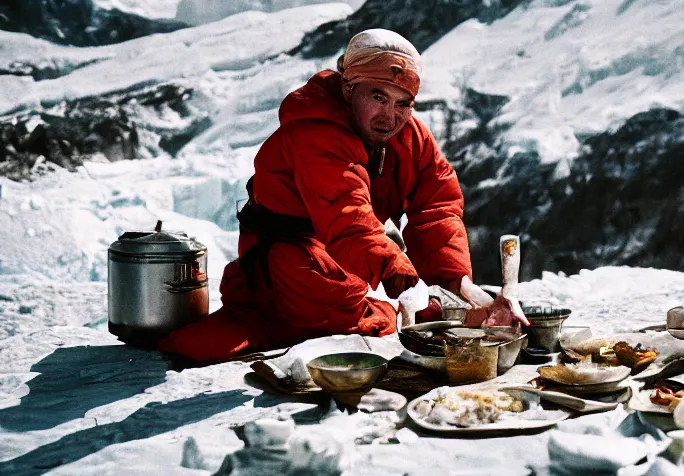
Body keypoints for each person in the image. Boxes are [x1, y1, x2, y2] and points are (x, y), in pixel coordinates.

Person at [160, 29, 525, 362]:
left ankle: (405, 309)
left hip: (344, 256)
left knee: (355, 299)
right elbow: (348, 216)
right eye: (378, 96)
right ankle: (389, 312)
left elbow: (437, 208)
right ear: (349, 89)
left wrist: (459, 286)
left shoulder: (411, 138)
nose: (390, 116)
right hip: (289, 258)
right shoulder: (316, 132)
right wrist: (408, 284)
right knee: (324, 314)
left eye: (403, 103)